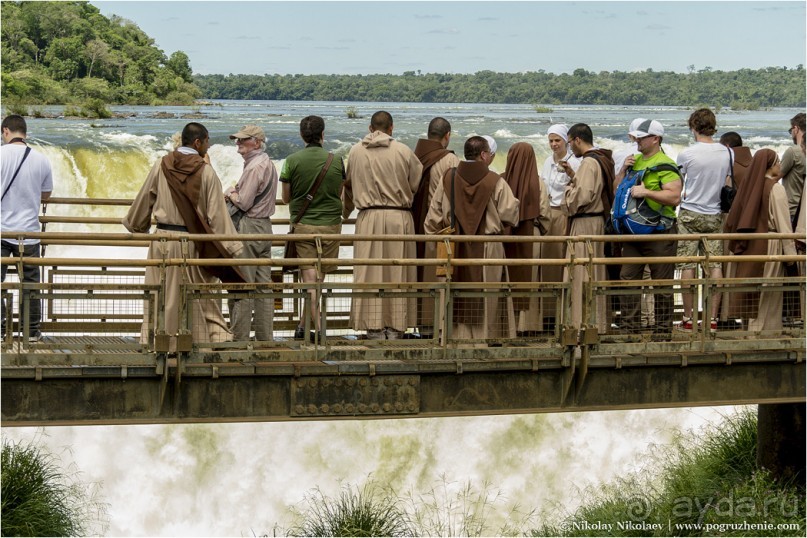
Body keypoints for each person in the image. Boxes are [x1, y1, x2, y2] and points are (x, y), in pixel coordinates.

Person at [123, 122, 244, 350]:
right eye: (207, 142)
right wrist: (233, 248)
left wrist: (136, 225)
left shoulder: (161, 165)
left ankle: (155, 340)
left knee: (159, 294)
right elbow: (217, 215)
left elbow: (144, 198)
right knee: (197, 296)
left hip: (161, 242)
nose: (208, 147)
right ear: (197, 142)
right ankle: (197, 343)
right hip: (191, 243)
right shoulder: (206, 171)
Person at [424, 136, 519, 342]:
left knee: (455, 291)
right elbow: (511, 214)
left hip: (454, 247)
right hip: (488, 248)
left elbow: (432, 218)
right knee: (487, 293)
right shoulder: (496, 181)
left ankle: (456, 338)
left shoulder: (448, 177)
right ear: (484, 155)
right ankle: (486, 338)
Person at [343, 111, 423, 339]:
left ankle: (373, 327)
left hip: (368, 218)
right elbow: (415, 183)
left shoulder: (356, 151)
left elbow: (348, 184)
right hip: (399, 218)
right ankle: (397, 326)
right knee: (398, 273)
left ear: (370, 128)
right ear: (392, 128)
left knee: (369, 273)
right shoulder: (404, 151)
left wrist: (345, 210)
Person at [614, 119, 682, 337]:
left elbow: (674, 197)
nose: (637, 141)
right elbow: (618, 189)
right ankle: (629, 330)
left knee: (661, 283)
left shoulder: (666, 164)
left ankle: (662, 331)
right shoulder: (635, 162)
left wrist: (647, 193)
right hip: (634, 232)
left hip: (660, 232)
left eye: (641, 137)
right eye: (636, 137)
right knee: (628, 278)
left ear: (655, 139)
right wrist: (623, 169)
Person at [280, 115, 345, 342]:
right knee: (317, 280)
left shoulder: (291, 160)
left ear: (301, 135)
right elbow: (339, 193)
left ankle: (319, 331)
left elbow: (285, 198)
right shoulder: (336, 161)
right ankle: (303, 326)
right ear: (323, 134)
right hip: (331, 226)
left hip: (304, 226)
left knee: (310, 281)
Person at [724, 149, 796, 331]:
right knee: (768, 293)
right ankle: (764, 334)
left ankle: (749, 331)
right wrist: (791, 256)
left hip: (748, 244)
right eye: (777, 162)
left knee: (751, 290)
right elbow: (784, 226)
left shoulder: (747, 188)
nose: (780, 166)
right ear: (770, 166)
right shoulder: (776, 189)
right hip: (769, 244)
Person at [676, 108, 732, 331]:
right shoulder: (728, 152)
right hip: (715, 213)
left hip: (690, 212)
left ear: (693, 127)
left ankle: (689, 318)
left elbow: (679, 183)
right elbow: (727, 180)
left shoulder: (687, 154)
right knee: (715, 265)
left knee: (687, 264)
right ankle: (712, 318)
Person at [1, 114, 53, 342]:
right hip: (30, 234)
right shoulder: (41, 159)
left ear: (5, 131)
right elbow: (46, 194)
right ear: (25, 133)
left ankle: (2, 332)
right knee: (31, 284)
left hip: (1, 231)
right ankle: (31, 331)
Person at [559, 123, 615, 334]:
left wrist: (567, 191)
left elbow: (581, 197)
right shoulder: (602, 159)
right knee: (594, 272)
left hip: (586, 224)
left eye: (570, 142)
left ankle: (582, 324)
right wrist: (574, 176)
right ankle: (596, 323)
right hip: (596, 221)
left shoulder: (589, 162)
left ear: (577, 140)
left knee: (582, 273)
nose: (570, 147)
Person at [223, 125, 277, 342]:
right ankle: (265, 339)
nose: (238, 145)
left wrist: (230, 192)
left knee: (243, 285)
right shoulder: (267, 163)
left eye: (243, 141)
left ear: (256, 142)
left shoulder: (254, 167)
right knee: (264, 287)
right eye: (237, 140)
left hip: (250, 227)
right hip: (264, 227)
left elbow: (244, 202)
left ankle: (240, 339)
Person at [412, 117, 460, 334]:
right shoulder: (450, 160)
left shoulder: (413, 155)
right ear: (447, 135)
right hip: (441, 227)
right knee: (437, 275)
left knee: (418, 274)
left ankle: (420, 324)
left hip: (414, 222)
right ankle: (438, 327)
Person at [502, 141, 550, 335]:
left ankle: (507, 325)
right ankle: (528, 326)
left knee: (507, 279)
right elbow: (546, 214)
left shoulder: (501, 179)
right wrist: (540, 227)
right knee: (530, 279)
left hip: (507, 236)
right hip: (532, 235)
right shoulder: (538, 182)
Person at [540, 124, 581, 330]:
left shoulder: (576, 161)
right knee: (548, 263)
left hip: (564, 214)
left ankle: (564, 312)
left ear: (566, 141)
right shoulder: (548, 161)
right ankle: (548, 313)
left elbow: (580, 186)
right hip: (549, 213)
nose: (554, 144)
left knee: (563, 260)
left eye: (557, 140)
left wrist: (571, 172)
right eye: (551, 141)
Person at [717, 131, 752, 330]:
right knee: (744, 267)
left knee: (724, 265)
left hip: (728, 218)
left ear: (727, 148)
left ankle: (724, 315)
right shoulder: (755, 163)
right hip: (750, 222)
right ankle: (744, 315)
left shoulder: (728, 165)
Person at [781, 113, 806, 229]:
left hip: (792, 210)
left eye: (791, 130)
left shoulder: (793, 152)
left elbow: (775, 176)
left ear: (796, 129)